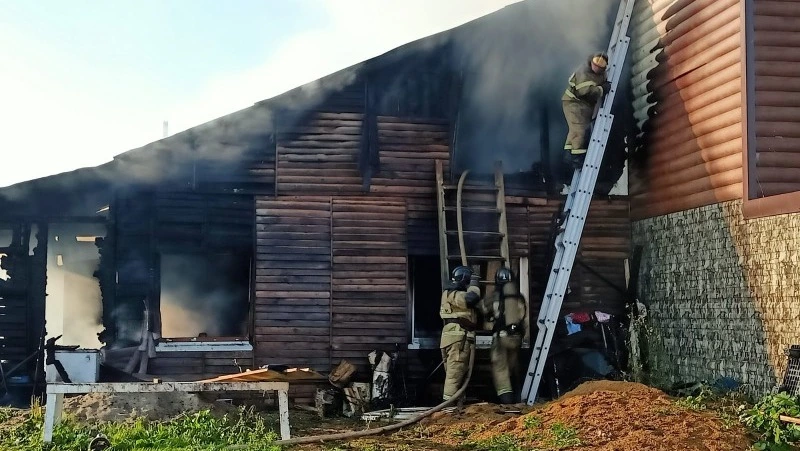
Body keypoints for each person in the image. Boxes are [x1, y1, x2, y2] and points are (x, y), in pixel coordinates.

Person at [481, 267, 527, 405]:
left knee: (500, 371)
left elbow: (483, 310)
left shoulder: (493, 298)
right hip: (516, 338)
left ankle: (506, 401)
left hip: (500, 338)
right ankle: (517, 399)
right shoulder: (519, 297)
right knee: (512, 367)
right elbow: (524, 319)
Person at [562, 52, 611, 171]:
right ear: (591, 62)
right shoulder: (584, 72)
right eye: (595, 65)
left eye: (600, 68)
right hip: (574, 103)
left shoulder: (600, 73)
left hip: (582, 105)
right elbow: (585, 91)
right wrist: (601, 89)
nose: (597, 68)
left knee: (574, 130)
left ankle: (569, 155)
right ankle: (577, 159)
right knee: (580, 130)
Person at [439, 265, 481, 401]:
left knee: (456, 375)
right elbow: (471, 299)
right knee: (454, 377)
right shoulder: (454, 294)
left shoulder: (448, 293)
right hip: (458, 339)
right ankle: (448, 410)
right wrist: (474, 284)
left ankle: (457, 406)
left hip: (450, 338)